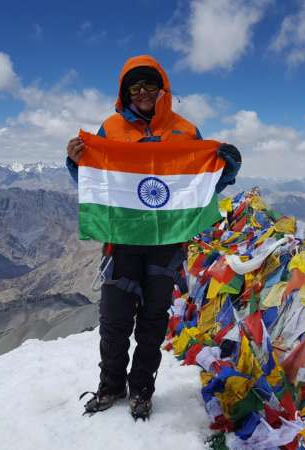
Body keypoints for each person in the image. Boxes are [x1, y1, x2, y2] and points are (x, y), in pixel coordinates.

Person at [65, 55, 241, 420]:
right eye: (135, 87)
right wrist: (75, 162)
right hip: (122, 242)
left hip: (166, 246)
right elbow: (97, 181)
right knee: (114, 322)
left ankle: (142, 390)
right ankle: (111, 386)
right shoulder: (111, 128)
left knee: (152, 323)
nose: (143, 92)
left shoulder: (185, 131)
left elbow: (197, 187)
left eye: (149, 85)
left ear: (163, 89)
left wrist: (225, 171)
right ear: (125, 92)